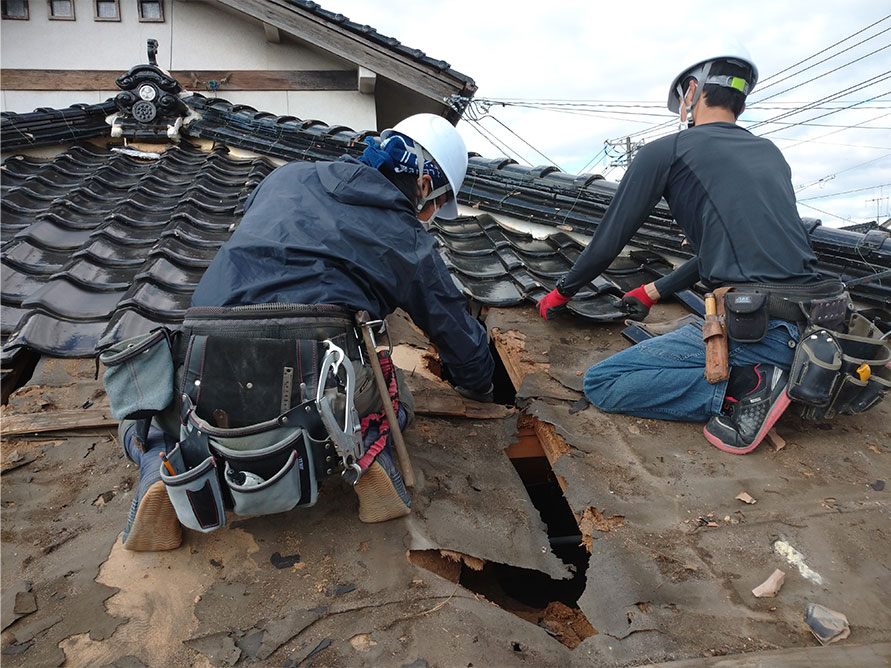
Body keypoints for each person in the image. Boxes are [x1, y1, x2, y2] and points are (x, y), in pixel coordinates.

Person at [120, 113, 495, 550]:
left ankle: (158, 468)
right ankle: (370, 451)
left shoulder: (286, 178)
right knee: (395, 398)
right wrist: (481, 387)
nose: (430, 215)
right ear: (425, 185)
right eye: (437, 202)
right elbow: (455, 332)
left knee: (147, 412)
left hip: (207, 349)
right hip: (314, 366)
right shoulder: (409, 236)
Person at [536, 44, 844, 455]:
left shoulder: (669, 150)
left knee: (602, 383)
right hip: (808, 325)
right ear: (741, 101)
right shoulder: (771, 154)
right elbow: (729, 251)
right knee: (683, 337)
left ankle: (747, 385)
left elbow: (608, 242)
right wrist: (653, 291)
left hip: (757, 331)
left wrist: (561, 292)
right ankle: (780, 371)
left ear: (692, 91)